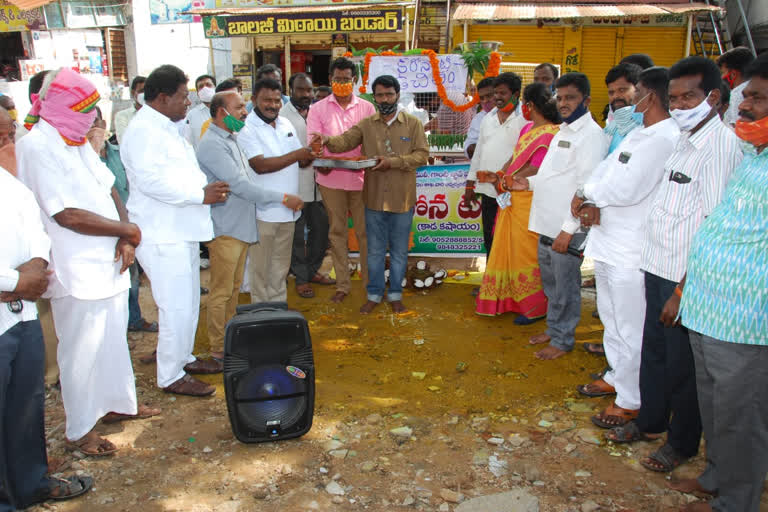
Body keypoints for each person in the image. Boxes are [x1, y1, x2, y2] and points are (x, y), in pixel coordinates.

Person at [605, 56, 742, 474]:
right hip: (656, 264)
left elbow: (714, 224)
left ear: (713, 97)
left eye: (690, 97)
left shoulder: (720, 146)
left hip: (687, 276)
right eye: (676, 98)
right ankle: (648, 424)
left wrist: (684, 288)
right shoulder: (682, 137)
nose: (680, 105)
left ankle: (680, 444)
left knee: (683, 367)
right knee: (655, 353)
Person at [17, 68, 160, 455]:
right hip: (74, 267)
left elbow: (108, 185)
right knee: (80, 352)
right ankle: (79, 431)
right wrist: (126, 232)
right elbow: (66, 215)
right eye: (87, 110)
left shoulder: (75, 139)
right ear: (62, 107)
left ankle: (118, 405)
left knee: (113, 342)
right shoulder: (36, 146)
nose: (94, 119)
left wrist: (125, 231)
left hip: (109, 261)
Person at [671, 53, 768, 512]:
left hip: (747, 317)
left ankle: (739, 500)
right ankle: (717, 476)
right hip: (707, 302)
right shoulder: (752, 152)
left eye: (756, 97)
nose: (743, 104)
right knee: (713, 402)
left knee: (740, 414)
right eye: (746, 94)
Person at [573, 67, 680, 428]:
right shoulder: (640, 132)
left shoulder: (666, 137)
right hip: (607, 242)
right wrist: (585, 192)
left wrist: (588, 196)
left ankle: (632, 398)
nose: (631, 99)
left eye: (636, 92)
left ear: (650, 95)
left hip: (632, 248)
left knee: (631, 325)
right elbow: (604, 172)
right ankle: (617, 377)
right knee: (611, 319)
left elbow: (628, 188)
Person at [121, 64, 230, 396]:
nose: (189, 102)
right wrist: (200, 195)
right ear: (163, 97)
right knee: (174, 306)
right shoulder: (143, 131)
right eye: (184, 96)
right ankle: (169, 376)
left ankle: (184, 357)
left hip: (181, 230)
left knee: (190, 301)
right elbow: (150, 182)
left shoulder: (167, 126)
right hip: (161, 232)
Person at [0, 167, 94, 509]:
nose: (7, 137)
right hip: (13, 298)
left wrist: (35, 267)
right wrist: (13, 282)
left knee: (24, 407)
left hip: (20, 315)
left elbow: (38, 231)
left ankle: (30, 485)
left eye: (9, 131)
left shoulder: (9, 183)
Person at [198, 91, 303, 360]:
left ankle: (230, 339)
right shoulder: (212, 144)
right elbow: (241, 186)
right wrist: (281, 198)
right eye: (238, 108)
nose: (245, 112)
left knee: (233, 288)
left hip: (238, 225)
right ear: (222, 112)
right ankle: (219, 347)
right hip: (225, 227)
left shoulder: (230, 139)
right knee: (221, 291)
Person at [510, 72, 606, 359]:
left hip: (566, 228)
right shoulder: (561, 131)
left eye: (570, 98)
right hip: (546, 223)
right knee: (551, 284)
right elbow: (552, 175)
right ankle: (553, 329)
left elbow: (586, 187)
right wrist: (527, 182)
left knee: (566, 288)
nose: (563, 103)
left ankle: (563, 340)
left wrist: (569, 229)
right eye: (559, 97)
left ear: (586, 100)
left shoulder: (592, 136)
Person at [315, 74, 429, 314]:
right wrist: (326, 139)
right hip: (374, 199)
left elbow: (422, 155)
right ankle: (375, 295)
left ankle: (395, 295)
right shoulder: (367, 124)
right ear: (374, 97)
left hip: (402, 199)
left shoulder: (413, 124)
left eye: (389, 94)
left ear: (397, 95)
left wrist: (393, 162)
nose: (385, 98)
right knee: (375, 251)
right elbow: (344, 141)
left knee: (399, 251)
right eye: (380, 95)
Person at [475, 82, 560, 321]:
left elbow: (537, 167)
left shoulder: (553, 133)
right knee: (510, 250)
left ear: (531, 105)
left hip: (531, 200)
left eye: (525, 103)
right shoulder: (527, 130)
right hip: (512, 198)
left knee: (527, 253)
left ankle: (534, 307)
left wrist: (508, 180)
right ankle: (511, 300)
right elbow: (513, 159)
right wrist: (499, 176)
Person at [239, 78, 317, 303]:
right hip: (262, 212)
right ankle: (261, 310)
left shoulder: (284, 124)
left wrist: (311, 152)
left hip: (288, 211)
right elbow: (260, 166)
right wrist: (299, 155)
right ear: (254, 100)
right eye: (266, 100)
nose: (272, 105)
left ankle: (277, 308)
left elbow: (301, 162)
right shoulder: (247, 128)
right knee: (260, 268)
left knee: (280, 266)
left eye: (276, 100)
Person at [306, 57, 376, 303]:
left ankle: (370, 284)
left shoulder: (367, 108)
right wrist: (321, 160)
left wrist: (366, 156)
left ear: (354, 80)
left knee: (365, 233)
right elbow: (313, 141)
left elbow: (372, 141)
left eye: (347, 79)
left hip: (361, 179)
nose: (342, 83)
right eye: (338, 79)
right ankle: (343, 285)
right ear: (330, 80)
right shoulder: (318, 108)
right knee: (337, 233)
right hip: (330, 180)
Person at [87, 107, 157, 334]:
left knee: (131, 276)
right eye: (87, 122)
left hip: (126, 222)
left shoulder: (118, 153)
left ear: (104, 123)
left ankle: (133, 318)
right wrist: (91, 153)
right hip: (99, 228)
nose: (92, 127)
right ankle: (114, 327)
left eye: (95, 121)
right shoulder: (83, 158)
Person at [281, 73, 333, 299]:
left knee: (321, 232)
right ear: (291, 90)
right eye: (301, 90)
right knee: (297, 238)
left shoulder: (319, 112)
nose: (306, 95)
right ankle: (301, 278)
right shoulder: (283, 117)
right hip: (295, 187)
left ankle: (312, 271)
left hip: (320, 184)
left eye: (309, 90)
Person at [465, 72, 527, 259]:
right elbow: (478, 154)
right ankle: (492, 283)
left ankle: (511, 285)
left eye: (503, 93)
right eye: (495, 93)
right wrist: (470, 185)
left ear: (516, 94)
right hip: (487, 190)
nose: (497, 98)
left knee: (512, 239)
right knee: (490, 239)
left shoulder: (526, 118)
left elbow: (527, 156)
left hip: (514, 192)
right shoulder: (487, 118)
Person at [603, 63, 643, 153]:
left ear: (639, 89)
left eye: (622, 90)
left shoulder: (645, 125)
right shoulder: (611, 128)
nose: (616, 96)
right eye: (611, 92)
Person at [717, 46, 755, 127]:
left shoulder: (737, 94)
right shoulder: (760, 89)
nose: (721, 77)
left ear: (733, 74)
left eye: (723, 72)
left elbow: (735, 129)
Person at [463, 77, 495, 159]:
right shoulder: (479, 118)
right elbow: (469, 145)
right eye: (482, 98)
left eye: (489, 96)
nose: (485, 101)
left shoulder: (514, 114)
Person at [184, 74, 216, 151]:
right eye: (201, 86)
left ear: (215, 88)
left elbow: (238, 133)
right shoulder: (191, 115)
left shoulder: (227, 111)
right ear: (198, 93)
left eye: (208, 85)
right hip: (201, 161)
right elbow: (187, 142)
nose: (205, 88)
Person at [114, 76, 145, 145]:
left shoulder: (156, 114)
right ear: (133, 92)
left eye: (148, 91)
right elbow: (124, 141)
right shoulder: (122, 116)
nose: (145, 94)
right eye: (141, 91)